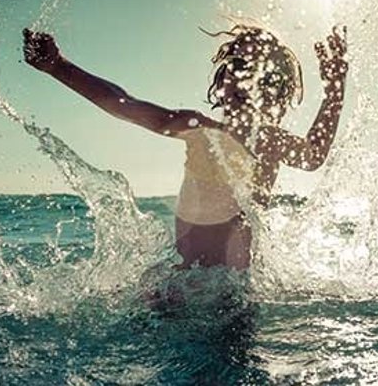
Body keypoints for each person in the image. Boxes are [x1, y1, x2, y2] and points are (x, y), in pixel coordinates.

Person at [22, 24, 347, 270]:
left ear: (274, 91)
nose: (243, 79)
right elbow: (122, 103)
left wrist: (334, 91)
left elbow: (313, 155)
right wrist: (57, 66)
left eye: (258, 73)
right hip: (185, 276)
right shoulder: (197, 128)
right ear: (222, 80)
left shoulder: (270, 142)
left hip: (236, 286)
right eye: (237, 67)